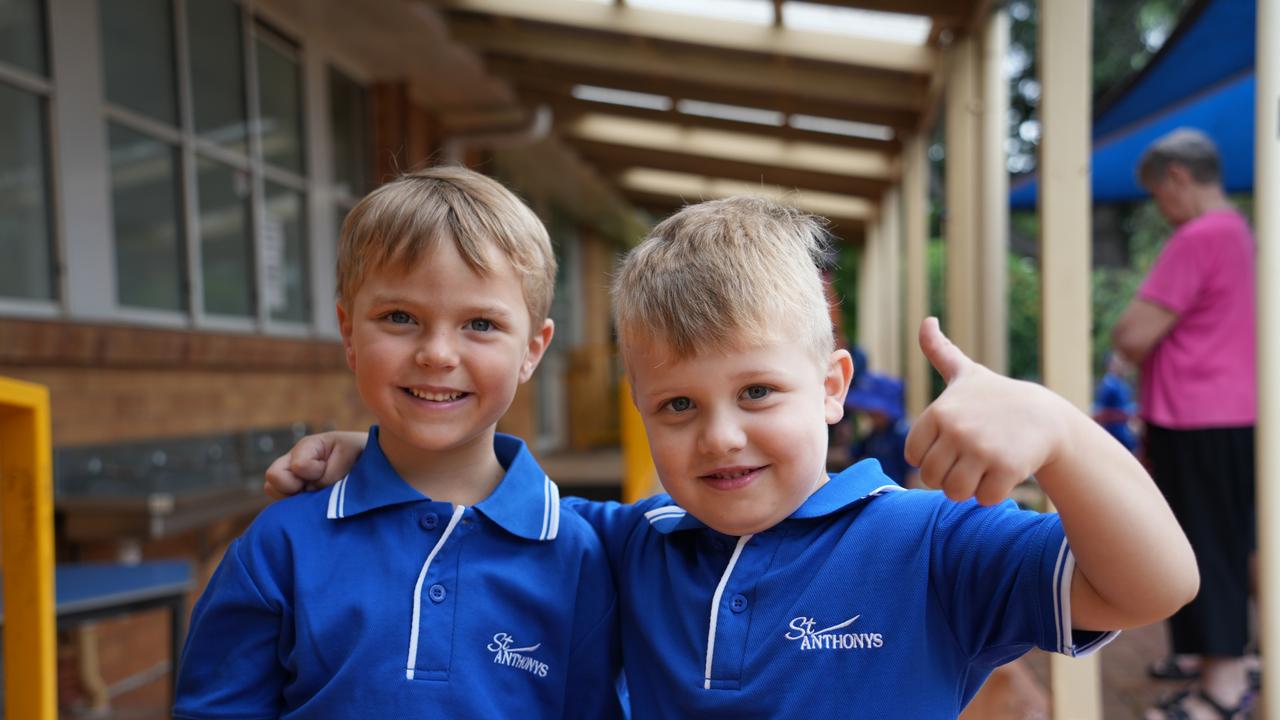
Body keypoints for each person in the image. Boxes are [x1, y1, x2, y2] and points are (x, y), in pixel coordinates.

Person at [270, 197, 1198, 717]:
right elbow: (489, 501)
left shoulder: (930, 544)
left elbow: (1153, 586)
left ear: (834, 386)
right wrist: (391, 450)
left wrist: (1064, 432)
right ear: (642, 413)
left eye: (758, 393)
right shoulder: (627, 544)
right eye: (677, 406)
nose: (719, 435)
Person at [173, 168, 623, 719]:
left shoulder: (579, 555)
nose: (437, 354)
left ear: (532, 349)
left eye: (480, 324)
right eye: (400, 317)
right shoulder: (279, 545)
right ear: (348, 334)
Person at [1111, 128, 1257, 719]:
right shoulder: (1241, 234)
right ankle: (1212, 659)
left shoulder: (1202, 236)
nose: (1160, 211)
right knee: (1224, 540)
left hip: (1197, 416)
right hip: (1230, 414)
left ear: (1177, 178)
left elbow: (1133, 333)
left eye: (1158, 195)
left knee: (1206, 545)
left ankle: (1221, 687)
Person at [845, 372, 918, 487]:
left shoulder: (901, 435)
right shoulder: (875, 433)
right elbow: (853, 454)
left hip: (896, 493)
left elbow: (912, 473)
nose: (868, 416)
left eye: (873, 413)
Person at [1092, 352, 1138, 453]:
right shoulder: (1109, 384)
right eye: (1118, 362)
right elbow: (1101, 410)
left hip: (1122, 431)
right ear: (1110, 364)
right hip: (1115, 433)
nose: (1122, 365)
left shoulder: (1120, 383)